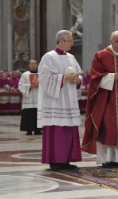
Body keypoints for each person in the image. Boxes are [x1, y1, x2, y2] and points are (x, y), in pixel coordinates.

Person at [82, 31, 118, 168]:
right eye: (116, 41)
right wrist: (112, 77)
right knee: (108, 129)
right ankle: (107, 159)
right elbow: (94, 78)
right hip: (106, 100)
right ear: (110, 40)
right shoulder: (100, 56)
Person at [38, 30, 82, 171]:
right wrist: (63, 78)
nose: (72, 43)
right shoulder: (49, 57)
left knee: (69, 130)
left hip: (69, 100)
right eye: (69, 41)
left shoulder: (71, 57)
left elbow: (79, 73)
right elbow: (44, 78)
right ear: (61, 41)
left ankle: (67, 160)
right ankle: (56, 161)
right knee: (57, 131)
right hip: (56, 101)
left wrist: (77, 80)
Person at [19, 60, 41, 135]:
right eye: (32, 64)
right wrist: (29, 86)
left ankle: (37, 130)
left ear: (37, 65)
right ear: (29, 65)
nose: (33, 65)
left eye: (35, 64)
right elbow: (21, 85)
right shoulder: (25, 74)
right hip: (29, 97)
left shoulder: (40, 74)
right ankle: (29, 130)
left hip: (38, 97)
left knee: (37, 113)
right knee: (29, 113)